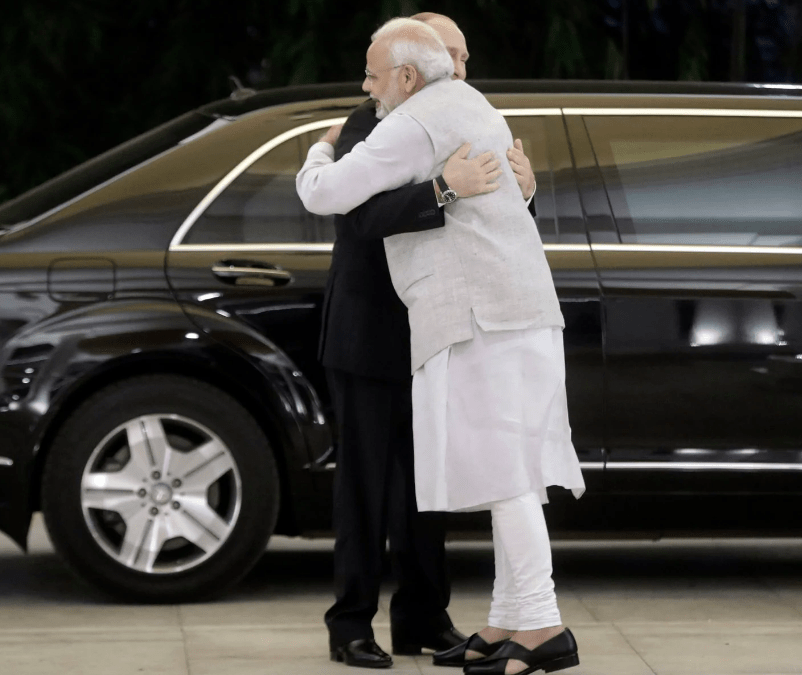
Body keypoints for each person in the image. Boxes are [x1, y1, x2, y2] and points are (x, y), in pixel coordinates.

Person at [297, 17, 586, 675]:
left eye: (462, 54)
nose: (456, 65)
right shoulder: (378, 116)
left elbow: (491, 221)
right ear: (414, 60)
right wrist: (443, 186)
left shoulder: (462, 112)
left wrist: (525, 187)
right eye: (446, 54)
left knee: (435, 484)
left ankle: (426, 618)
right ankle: (351, 624)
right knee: (368, 486)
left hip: (452, 320)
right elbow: (360, 213)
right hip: (373, 327)